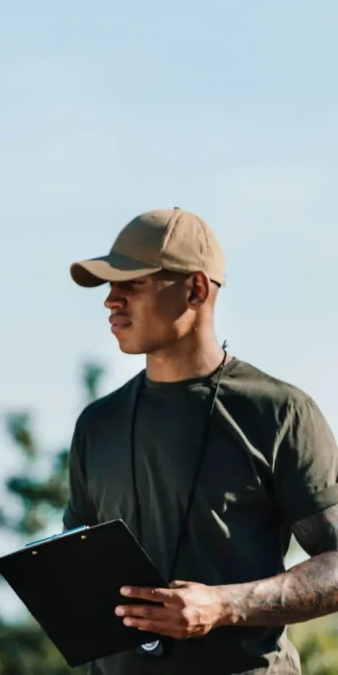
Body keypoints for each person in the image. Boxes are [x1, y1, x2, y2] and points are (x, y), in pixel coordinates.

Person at [65, 207, 338, 674]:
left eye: (132, 283)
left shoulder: (279, 412)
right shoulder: (97, 423)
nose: (111, 301)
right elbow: (78, 566)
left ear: (194, 288)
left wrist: (221, 606)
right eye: (109, 287)